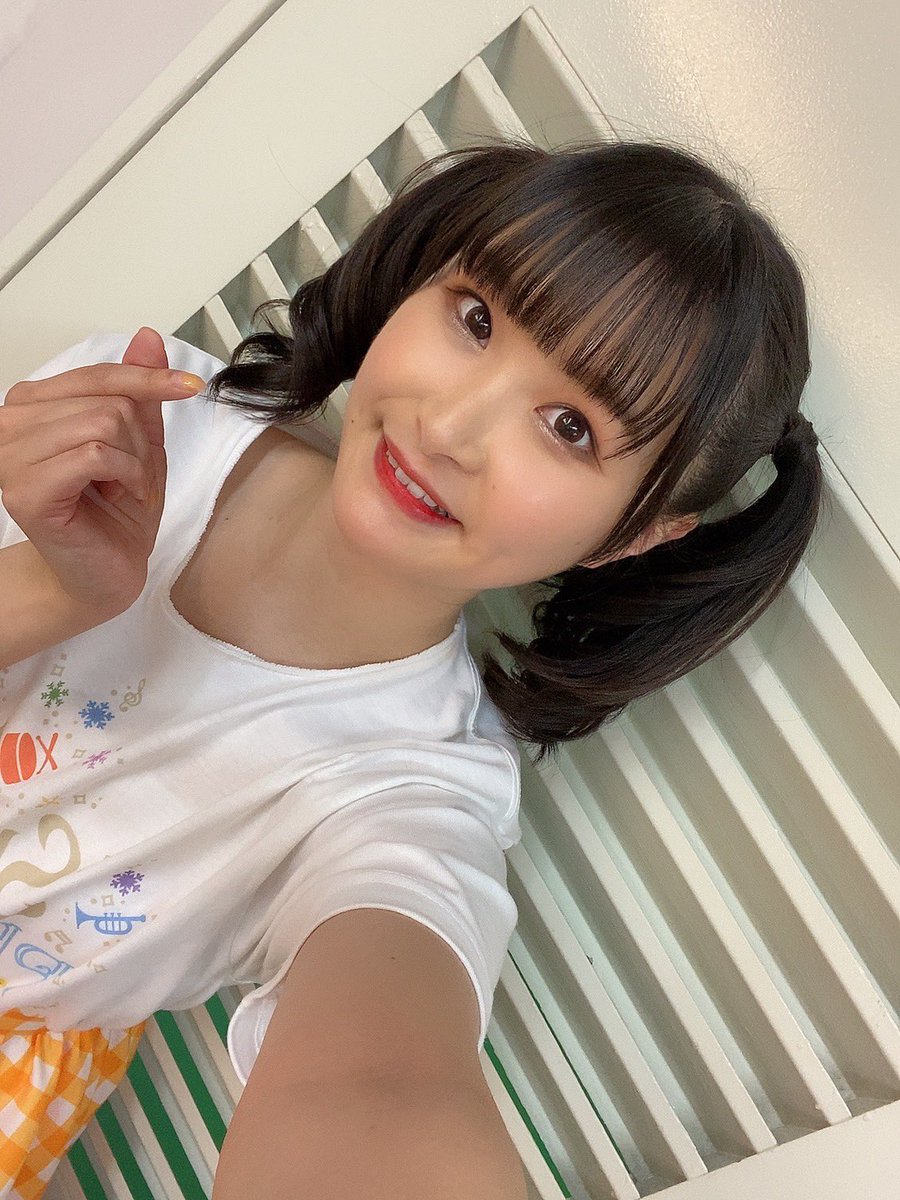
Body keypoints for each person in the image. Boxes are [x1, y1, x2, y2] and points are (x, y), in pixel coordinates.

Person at [0, 136, 823, 1197]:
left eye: (569, 427)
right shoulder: (135, 426)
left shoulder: (421, 797)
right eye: (475, 319)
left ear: (635, 536)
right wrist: (57, 589)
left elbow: (384, 1089)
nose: (449, 426)